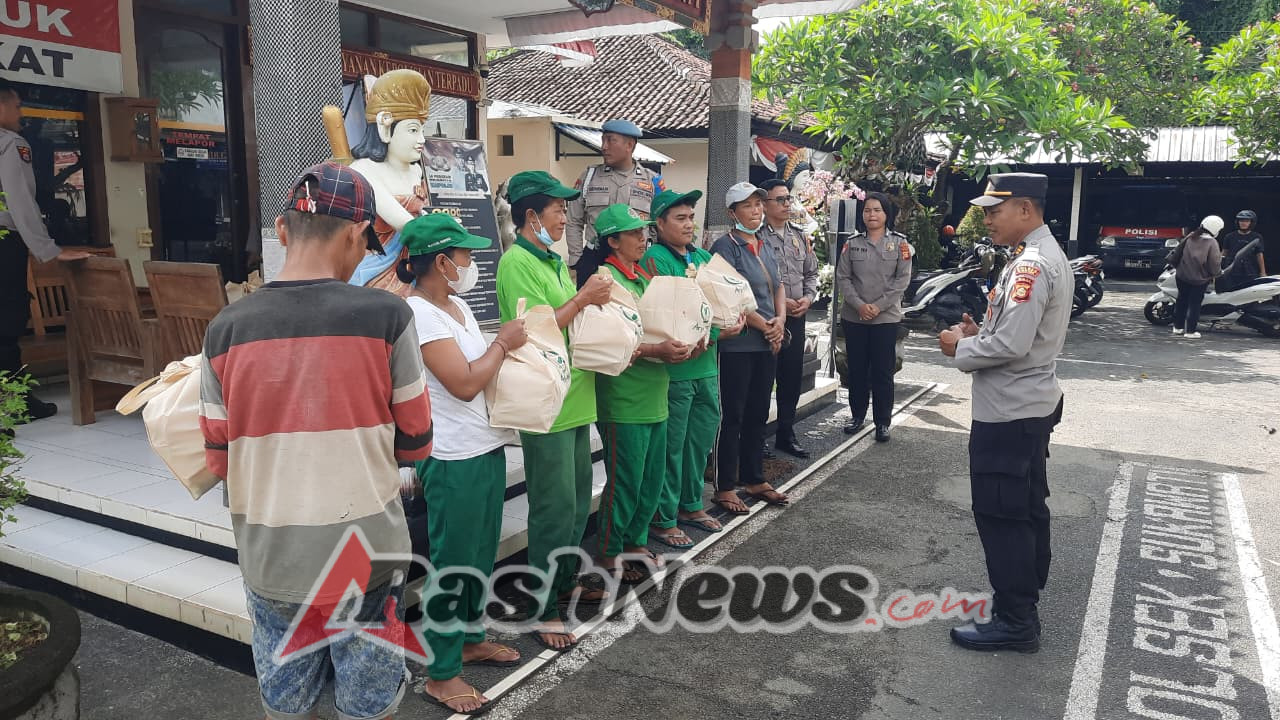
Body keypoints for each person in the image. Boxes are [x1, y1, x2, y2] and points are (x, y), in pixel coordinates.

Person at [199, 161, 433, 719]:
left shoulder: (225, 328)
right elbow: (417, 440)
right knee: (369, 702)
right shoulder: (387, 316)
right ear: (356, 233)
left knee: (286, 703)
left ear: (282, 231)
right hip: (366, 556)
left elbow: (216, 456)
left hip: (272, 558)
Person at [395, 213, 526, 714]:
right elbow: (464, 382)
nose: (472, 262)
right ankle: (442, 671)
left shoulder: (457, 305)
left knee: (479, 553)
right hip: (450, 456)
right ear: (441, 262)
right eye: (465, 255)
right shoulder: (419, 315)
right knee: (453, 562)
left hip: (483, 445)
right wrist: (502, 343)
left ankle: (469, 638)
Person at [937, 172, 1071, 654]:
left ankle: (1016, 620)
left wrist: (962, 344)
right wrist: (982, 328)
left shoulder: (1032, 265)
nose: (987, 218)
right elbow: (1016, 332)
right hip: (1026, 405)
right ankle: (1021, 603)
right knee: (1025, 506)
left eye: (995, 210)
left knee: (1003, 514)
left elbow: (1012, 345)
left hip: (1009, 410)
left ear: (1026, 210)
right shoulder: (1036, 257)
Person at [495, 170, 615, 651]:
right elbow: (534, 330)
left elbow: (569, 319)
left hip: (574, 399)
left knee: (573, 507)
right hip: (546, 406)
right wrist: (584, 298)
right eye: (558, 209)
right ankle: (543, 607)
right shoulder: (517, 263)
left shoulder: (551, 259)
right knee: (551, 509)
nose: (566, 216)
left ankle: (564, 582)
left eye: (566, 209)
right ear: (531, 216)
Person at [578, 204, 692, 578]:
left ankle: (635, 541)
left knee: (650, 478)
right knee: (625, 480)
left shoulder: (641, 277)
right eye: (633, 233)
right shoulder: (604, 281)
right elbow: (605, 342)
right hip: (623, 398)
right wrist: (655, 350)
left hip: (655, 392)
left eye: (644, 230)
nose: (643, 237)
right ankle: (610, 551)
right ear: (613, 241)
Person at [642, 190, 745, 546]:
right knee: (672, 446)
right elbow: (674, 313)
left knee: (699, 444)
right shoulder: (654, 258)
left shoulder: (703, 256)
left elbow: (730, 295)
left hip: (705, 368)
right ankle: (664, 515)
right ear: (659, 223)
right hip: (676, 370)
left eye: (691, 217)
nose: (689, 224)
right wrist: (719, 328)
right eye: (680, 218)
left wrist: (738, 316)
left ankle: (689, 504)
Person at [0, 80, 89, 420]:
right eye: (17, 106)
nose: (21, 113)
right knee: (6, 319)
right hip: (4, 242)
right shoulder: (10, 144)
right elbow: (20, 202)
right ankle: (14, 403)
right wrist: (48, 250)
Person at [710, 182, 791, 515]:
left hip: (766, 342)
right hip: (739, 344)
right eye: (748, 206)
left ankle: (754, 477)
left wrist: (780, 321)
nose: (756, 210)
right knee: (733, 415)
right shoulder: (724, 247)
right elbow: (727, 296)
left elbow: (779, 285)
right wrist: (766, 325)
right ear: (733, 213)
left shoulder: (764, 243)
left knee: (759, 411)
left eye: (759, 204)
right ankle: (725, 485)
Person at [835, 192, 912, 442]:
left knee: (882, 372)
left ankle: (882, 422)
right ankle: (857, 416)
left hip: (885, 319)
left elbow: (902, 280)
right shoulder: (852, 243)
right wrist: (859, 305)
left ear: (886, 214)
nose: (871, 215)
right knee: (855, 370)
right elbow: (843, 277)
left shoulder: (900, 244)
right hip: (854, 317)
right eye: (867, 210)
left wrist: (877, 306)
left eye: (877, 210)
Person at [759, 179, 819, 458]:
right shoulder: (758, 238)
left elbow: (811, 273)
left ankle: (786, 432)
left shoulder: (799, 236)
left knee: (791, 377)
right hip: (769, 320)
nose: (786, 205)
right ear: (765, 205)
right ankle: (756, 437)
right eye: (780, 200)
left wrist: (808, 298)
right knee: (762, 379)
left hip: (796, 317)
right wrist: (782, 305)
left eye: (788, 199)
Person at [565, 119, 665, 282]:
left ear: (629, 145)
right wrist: (577, 260)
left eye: (611, 140)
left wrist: (654, 258)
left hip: (637, 264)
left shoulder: (652, 181)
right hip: (595, 261)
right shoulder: (589, 177)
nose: (604, 147)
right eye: (603, 140)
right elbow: (573, 221)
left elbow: (661, 226)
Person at [1170, 216, 1224, 339]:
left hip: (1182, 276)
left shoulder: (1191, 236)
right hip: (1199, 279)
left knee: (1181, 300)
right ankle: (1190, 331)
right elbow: (1214, 264)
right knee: (1194, 304)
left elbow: (1177, 253)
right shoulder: (1212, 242)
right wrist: (1218, 274)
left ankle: (1177, 327)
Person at [1218, 210, 1266, 292]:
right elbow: (1223, 253)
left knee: (1250, 293)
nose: (1243, 223)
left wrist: (1263, 272)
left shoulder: (1257, 237)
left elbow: (1259, 255)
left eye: (1246, 221)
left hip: (1250, 271)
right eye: (1241, 220)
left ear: (1251, 223)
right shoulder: (1229, 236)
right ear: (1237, 222)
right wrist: (1217, 270)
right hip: (1232, 271)